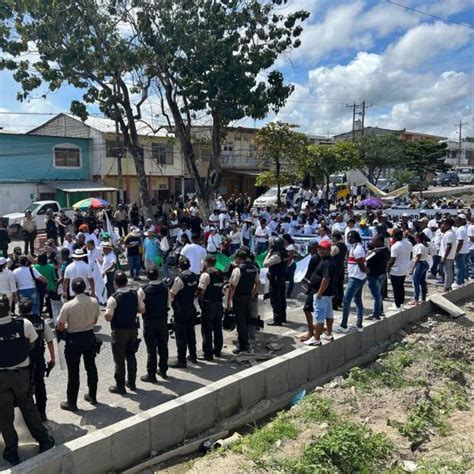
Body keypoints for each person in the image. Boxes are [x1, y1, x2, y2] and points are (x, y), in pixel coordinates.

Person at [0, 293, 55, 466]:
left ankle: (11, 451)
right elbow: (32, 343)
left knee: (5, 416)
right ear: (9, 306)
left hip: (1, 377)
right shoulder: (24, 323)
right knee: (29, 408)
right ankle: (43, 440)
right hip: (22, 374)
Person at [57, 278, 101, 410]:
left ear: (72, 289)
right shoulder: (94, 302)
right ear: (85, 287)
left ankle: (72, 403)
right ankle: (92, 396)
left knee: (73, 372)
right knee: (91, 367)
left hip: (73, 339)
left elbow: (60, 326)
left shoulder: (68, 305)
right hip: (88, 336)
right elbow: (95, 320)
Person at [105, 271, 144, 394]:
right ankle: (132, 383)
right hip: (133, 329)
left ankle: (120, 386)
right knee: (131, 356)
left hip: (119, 331)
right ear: (126, 282)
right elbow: (142, 309)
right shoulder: (134, 294)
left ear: (115, 283)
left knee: (119, 359)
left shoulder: (113, 298)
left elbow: (108, 317)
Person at [18, 298, 55, 421]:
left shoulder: (19, 323)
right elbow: (49, 340)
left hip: (24, 361)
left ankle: (30, 416)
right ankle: (42, 413)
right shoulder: (41, 321)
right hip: (39, 359)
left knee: (25, 389)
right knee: (40, 386)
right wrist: (53, 358)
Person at [138, 267, 169, 382]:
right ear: (158, 275)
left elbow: (141, 308)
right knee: (163, 346)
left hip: (149, 321)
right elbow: (168, 303)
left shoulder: (143, 290)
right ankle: (163, 370)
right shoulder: (165, 288)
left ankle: (151, 374)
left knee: (151, 349)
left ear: (147, 276)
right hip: (162, 320)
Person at [303, 240, 336, 346]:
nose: (320, 250)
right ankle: (328, 333)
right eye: (319, 248)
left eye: (323, 249)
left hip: (322, 294)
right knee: (329, 314)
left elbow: (326, 279)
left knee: (319, 317)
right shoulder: (326, 259)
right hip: (327, 294)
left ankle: (316, 339)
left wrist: (319, 294)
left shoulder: (327, 262)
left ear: (329, 250)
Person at [227, 249, 259, 354]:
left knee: (241, 323)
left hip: (239, 298)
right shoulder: (254, 268)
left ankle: (243, 346)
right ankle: (246, 342)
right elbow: (257, 284)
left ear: (238, 258)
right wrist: (252, 294)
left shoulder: (238, 269)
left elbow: (232, 287)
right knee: (246, 320)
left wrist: (229, 301)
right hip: (248, 298)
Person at [169, 257, 199, 367]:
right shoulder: (194, 276)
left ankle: (181, 361)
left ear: (179, 266)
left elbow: (172, 294)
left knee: (181, 336)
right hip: (191, 308)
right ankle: (193, 356)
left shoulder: (179, 279)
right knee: (191, 333)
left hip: (181, 310)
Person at [336, 230, 367, 333]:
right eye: (348, 237)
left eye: (351, 237)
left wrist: (366, 271)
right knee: (357, 300)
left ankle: (344, 325)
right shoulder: (355, 247)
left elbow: (362, 266)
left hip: (356, 278)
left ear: (356, 238)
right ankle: (359, 323)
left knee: (346, 300)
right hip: (357, 277)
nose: (349, 239)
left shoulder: (357, 249)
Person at [197, 256, 224, 361]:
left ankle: (207, 354)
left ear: (207, 263)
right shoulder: (220, 273)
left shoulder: (205, 275)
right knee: (218, 328)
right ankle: (217, 350)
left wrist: (199, 298)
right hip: (218, 303)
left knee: (207, 330)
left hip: (208, 305)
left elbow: (201, 291)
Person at [263, 236, 289, 326]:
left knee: (275, 299)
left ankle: (277, 319)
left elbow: (265, 264)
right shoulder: (285, 253)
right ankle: (283, 317)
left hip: (275, 279)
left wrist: (269, 253)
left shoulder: (276, 256)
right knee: (282, 298)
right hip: (281, 278)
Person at [299, 240, 321, 341]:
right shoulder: (319, 257)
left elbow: (309, 273)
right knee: (318, 310)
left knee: (307, 309)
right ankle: (317, 328)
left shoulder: (314, 258)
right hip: (317, 287)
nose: (308, 249)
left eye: (309, 247)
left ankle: (311, 332)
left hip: (314, 288)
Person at [387, 228, 413, 311]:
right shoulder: (409, 243)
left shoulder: (395, 246)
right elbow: (411, 255)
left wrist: (387, 269)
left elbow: (392, 260)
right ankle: (401, 304)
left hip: (396, 270)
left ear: (394, 236)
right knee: (401, 287)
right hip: (405, 268)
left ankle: (397, 305)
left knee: (396, 289)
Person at [365, 234, 390, 320]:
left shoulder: (375, 252)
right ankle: (380, 311)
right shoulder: (387, 250)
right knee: (379, 294)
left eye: (373, 241)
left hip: (373, 275)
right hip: (382, 274)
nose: (371, 242)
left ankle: (376, 315)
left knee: (376, 296)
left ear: (379, 242)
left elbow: (365, 260)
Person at [408, 232, 430, 305]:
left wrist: (412, 268)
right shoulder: (425, 244)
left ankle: (416, 299)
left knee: (416, 282)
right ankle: (423, 298)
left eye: (415, 237)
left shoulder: (420, 246)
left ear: (418, 238)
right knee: (422, 282)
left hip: (420, 264)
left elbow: (418, 257)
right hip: (425, 263)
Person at [33, 253, 57, 318]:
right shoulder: (51, 266)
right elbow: (53, 278)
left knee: (40, 302)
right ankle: (51, 315)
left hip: (39, 288)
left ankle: (39, 315)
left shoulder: (34, 267)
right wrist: (55, 286)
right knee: (49, 303)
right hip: (49, 287)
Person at [439, 218, 456, 291]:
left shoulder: (449, 234)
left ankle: (446, 287)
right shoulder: (449, 232)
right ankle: (449, 286)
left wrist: (444, 257)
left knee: (447, 271)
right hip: (449, 255)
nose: (442, 225)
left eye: (443, 224)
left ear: (447, 225)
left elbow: (449, 246)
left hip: (447, 256)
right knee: (449, 271)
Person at [454, 214, 469, 287]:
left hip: (460, 251)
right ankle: (461, 281)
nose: (455, 221)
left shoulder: (460, 229)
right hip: (463, 251)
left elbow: (460, 242)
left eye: (457, 220)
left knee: (459, 267)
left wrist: (456, 252)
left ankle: (459, 282)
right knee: (462, 267)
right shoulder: (463, 228)